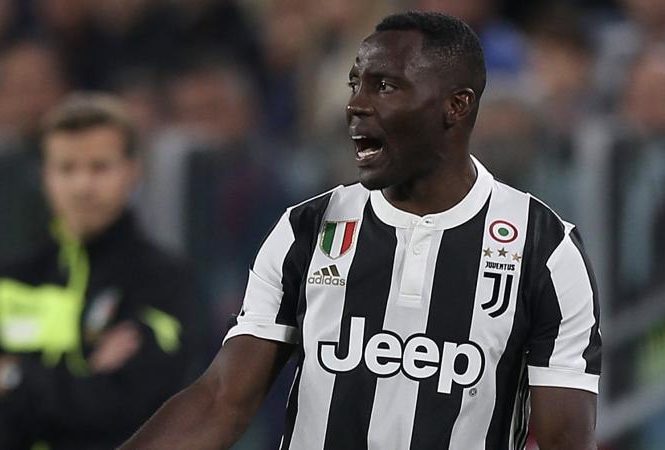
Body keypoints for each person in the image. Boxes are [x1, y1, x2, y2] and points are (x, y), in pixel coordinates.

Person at [122, 12, 601, 450]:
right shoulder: (306, 229)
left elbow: (564, 440)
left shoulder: (544, 249)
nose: (355, 105)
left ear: (456, 106)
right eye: (355, 84)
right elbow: (221, 401)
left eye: (385, 86)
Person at [0, 93, 203, 449]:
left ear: (133, 171)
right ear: (46, 175)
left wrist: (14, 375)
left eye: (99, 167)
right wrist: (86, 379)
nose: (82, 186)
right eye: (67, 168)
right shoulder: (12, 278)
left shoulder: (164, 279)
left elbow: (128, 408)